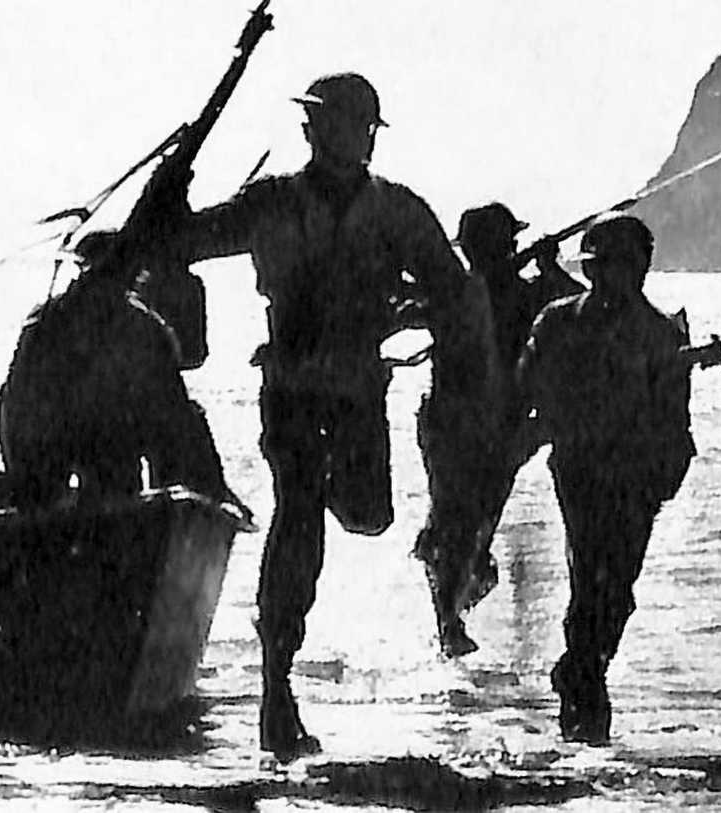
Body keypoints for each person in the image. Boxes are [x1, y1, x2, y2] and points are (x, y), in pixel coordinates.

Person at [158, 73, 502, 759]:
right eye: (332, 125)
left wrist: (417, 313)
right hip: (291, 389)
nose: (342, 138)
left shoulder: (398, 213)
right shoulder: (272, 204)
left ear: (368, 134)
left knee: (369, 514)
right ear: (313, 132)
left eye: (353, 126)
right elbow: (186, 241)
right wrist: (172, 192)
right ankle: (276, 687)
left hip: (357, 396)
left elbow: (454, 291)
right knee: (298, 517)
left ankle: (279, 678)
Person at [517, 212, 695, 744]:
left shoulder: (662, 334)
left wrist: (662, 479)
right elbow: (529, 388)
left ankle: (581, 670)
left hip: (637, 479)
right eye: (606, 265)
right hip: (581, 471)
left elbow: (674, 418)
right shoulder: (558, 322)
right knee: (589, 575)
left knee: (617, 588)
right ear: (592, 269)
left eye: (627, 265)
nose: (617, 276)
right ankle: (585, 683)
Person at [415, 203, 586, 657]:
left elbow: (582, 310)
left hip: (485, 429)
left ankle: (451, 613)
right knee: (462, 522)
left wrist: (547, 266)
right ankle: (450, 618)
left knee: (467, 523)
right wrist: (548, 268)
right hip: (470, 428)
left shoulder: (476, 291)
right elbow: (584, 306)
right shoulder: (466, 293)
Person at [0, 230, 241, 510]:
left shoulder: (46, 316)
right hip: (55, 442)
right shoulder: (139, 326)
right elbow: (174, 411)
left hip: (49, 444)